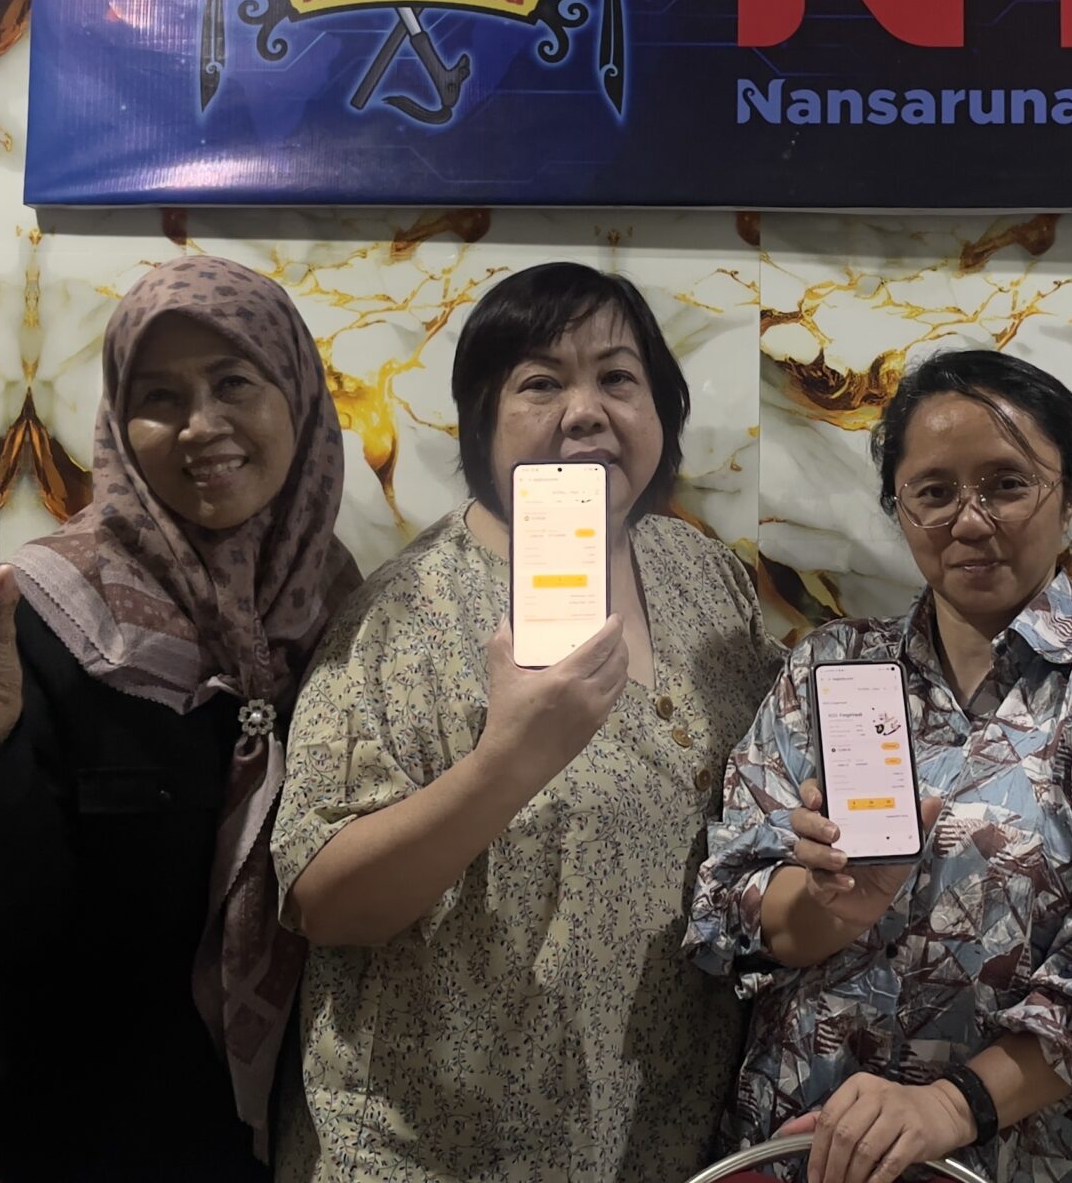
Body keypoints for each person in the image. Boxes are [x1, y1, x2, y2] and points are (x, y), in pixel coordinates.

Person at [0, 255, 362, 1180]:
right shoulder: (43, 611)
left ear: (298, 396)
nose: (200, 426)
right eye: (159, 396)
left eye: (234, 382)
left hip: (200, 1127)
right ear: (117, 422)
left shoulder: (341, 616)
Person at [273, 262, 778, 1183]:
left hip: (661, 1139)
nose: (586, 412)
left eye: (617, 377)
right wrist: (506, 765)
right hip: (437, 1152)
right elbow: (324, 902)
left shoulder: (705, 580)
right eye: (541, 383)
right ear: (483, 422)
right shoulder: (405, 616)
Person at [690, 348, 1072, 1183]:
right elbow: (731, 901)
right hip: (804, 1146)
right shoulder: (830, 666)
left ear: (1068, 497)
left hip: (1019, 1156)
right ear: (897, 508)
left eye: (1007, 485)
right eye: (934, 492)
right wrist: (832, 909)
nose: (970, 522)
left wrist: (947, 1107)